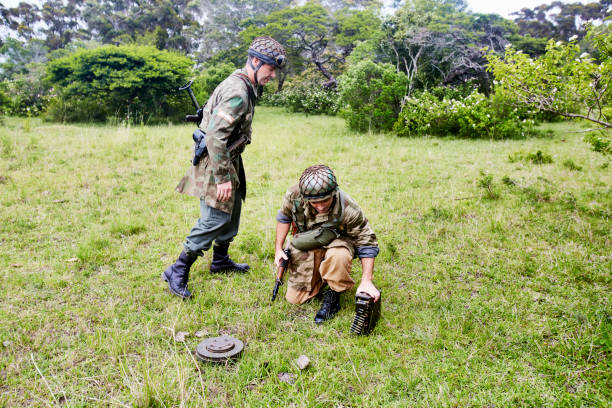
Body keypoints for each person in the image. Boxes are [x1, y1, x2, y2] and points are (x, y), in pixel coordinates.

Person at [162, 36, 287, 299]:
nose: (272, 75)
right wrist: (222, 178)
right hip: (217, 160)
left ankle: (220, 260)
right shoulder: (238, 92)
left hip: (229, 157)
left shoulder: (242, 81)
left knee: (233, 209)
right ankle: (177, 269)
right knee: (215, 218)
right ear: (255, 61)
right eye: (270, 68)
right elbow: (215, 137)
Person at [274, 164, 380, 324]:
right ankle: (323, 275)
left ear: (334, 193)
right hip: (308, 241)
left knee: (339, 255)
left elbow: (367, 243)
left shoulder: (348, 207)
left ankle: (334, 292)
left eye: (325, 200)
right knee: (295, 298)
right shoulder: (294, 195)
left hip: (338, 243)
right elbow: (284, 217)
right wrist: (278, 249)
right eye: (315, 202)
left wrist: (366, 280)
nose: (321, 206)